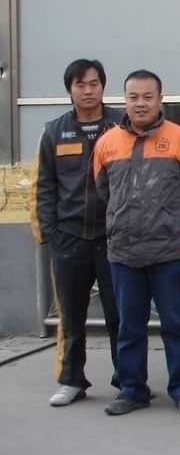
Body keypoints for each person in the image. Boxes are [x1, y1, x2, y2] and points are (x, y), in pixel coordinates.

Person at [92, 69, 180, 416]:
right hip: (124, 252)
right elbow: (103, 191)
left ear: (161, 99)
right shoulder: (106, 144)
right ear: (124, 100)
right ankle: (132, 389)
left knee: (177, 324)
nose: (141, 103)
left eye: (148, 97)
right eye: (133, 97)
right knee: (129, 326)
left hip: (170, 251)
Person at [33, 58, 123, 407]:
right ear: (69, 90)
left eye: (94, 83)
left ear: (103, 86)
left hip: (114, 236)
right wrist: (51, 234)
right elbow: (45, 187)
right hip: (69, 238)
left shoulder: (121, 124)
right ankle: (71, 380)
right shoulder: (54, 131)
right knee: (71, 316)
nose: (88, 91)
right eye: (80, 85)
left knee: (120, 314)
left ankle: (126, 379)